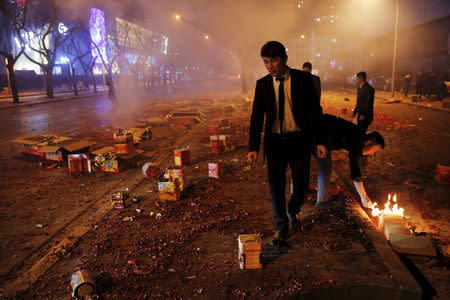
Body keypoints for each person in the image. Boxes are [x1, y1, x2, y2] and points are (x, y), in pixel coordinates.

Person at [247, 41, 326, 246]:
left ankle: (293, 208)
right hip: (274, 143)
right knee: (276, 186)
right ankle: (281, 226)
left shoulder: (303, 79)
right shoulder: (262, 84)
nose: (270, 66)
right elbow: (256, 117)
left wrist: (320, 141)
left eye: (274, 60)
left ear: (285, 59)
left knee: (302, 183)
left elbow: (315, 112)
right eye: (265, 62)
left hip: (299, 140)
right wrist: (253, 147)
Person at [316, 114, 385, 208]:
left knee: (326, 166)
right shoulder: (356, 140)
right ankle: (321, 202)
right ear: (368, 143)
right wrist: (363, 196)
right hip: (318, 134)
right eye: (374, 150)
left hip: (322, 135)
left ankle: (319, 199)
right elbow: (354, 169)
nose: (372, 153)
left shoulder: (359, 136)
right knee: (325, 166)